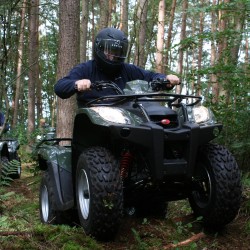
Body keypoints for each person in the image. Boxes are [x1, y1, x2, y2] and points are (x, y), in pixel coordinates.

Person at [55, 27, 180, 107]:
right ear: (99, 48)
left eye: (117, 53)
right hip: (94, 120)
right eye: (110, 51)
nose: (113, 56)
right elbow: (60, 87)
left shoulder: (127, 69)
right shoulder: (86, 69)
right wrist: (76, 84)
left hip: (125, 118)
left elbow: (150, 76)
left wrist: (166, 79)